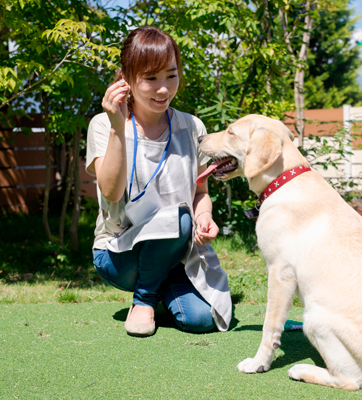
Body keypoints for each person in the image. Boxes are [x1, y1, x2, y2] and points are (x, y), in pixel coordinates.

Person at [85, 26, 232, 336]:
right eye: (151, 78)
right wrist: (116, 126)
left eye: (171, 75)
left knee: (201, 320)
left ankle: (158, 283)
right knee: (179, 218)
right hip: (119, 254)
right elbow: (110, 191)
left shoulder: (191, 126)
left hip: (174, 251)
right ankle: (145, 299)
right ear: (125, 77)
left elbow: (200, 190)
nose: (163, 89)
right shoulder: (104, 124)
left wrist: (204, 216)